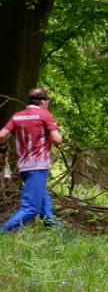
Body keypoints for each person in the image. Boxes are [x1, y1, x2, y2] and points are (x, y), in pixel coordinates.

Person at [1, 88, 64, 232]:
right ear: (42, 102)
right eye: (47, 101)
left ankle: (53, 228)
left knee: (43, 198)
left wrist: (3, 148)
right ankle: (3, 231)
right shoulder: (44, 114)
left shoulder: (17, 116)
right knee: (32, 207)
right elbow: (57, 138)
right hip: (38, 165)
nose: (47, 104)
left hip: (24, 166)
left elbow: (1, 135)